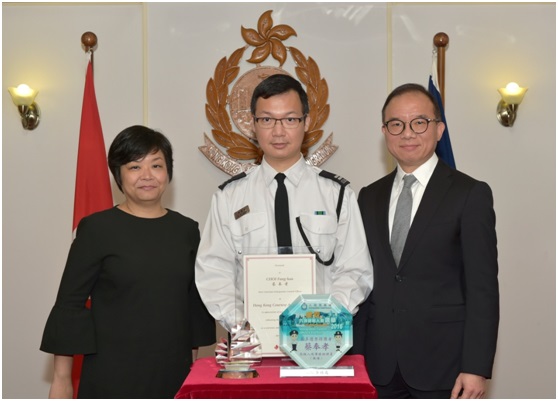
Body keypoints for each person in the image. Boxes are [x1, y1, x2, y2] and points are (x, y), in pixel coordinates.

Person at [40, 125, 215, 398]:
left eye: (156, 165)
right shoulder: (97, 229)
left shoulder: (187, 230)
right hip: (111, 376)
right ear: (118, 174)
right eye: (134, 167)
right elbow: (69, 306)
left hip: (173, 375)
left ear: (168, 171)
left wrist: (190, 371)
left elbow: (192, 306)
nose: (147, 176)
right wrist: (62, 381)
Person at [195, 74, 373, 332]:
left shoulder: (337, 194)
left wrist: (324, 320)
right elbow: (214, 271)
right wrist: (241, 324)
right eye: (267, 119)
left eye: (290, 119)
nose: (278, 131)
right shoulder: (229, 197)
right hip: (252, 343)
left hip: (320, 340)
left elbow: (355, 270)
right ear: (253, 125)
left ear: (306, 122)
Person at [354, 83, 499, 398]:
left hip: (443, 366)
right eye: (396, 124)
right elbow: (362, 281)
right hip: (376, 366)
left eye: (419, 122)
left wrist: (476, 367)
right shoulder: (368, 196)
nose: (407, 133)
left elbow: (483, 289)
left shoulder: (469, 194)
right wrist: (353, 358)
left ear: (439, 129)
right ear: (385, 131)